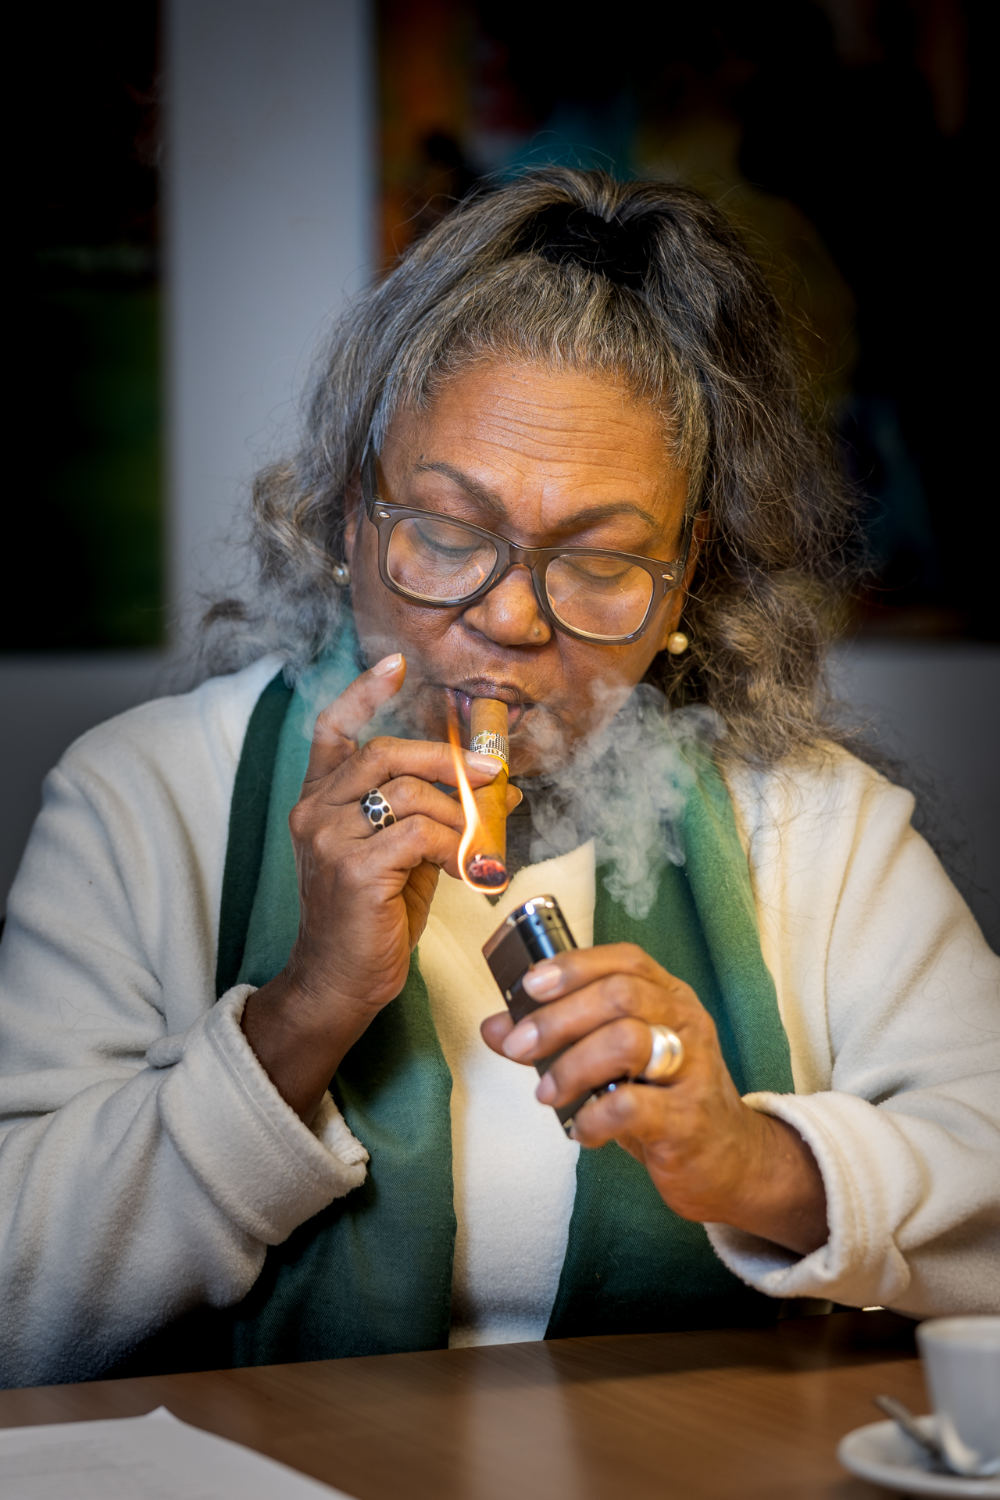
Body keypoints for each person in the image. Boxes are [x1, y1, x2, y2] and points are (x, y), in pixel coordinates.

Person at [1, 168, 997, 1389]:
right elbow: (16, 1303)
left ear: (685, 579)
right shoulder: (145, 799)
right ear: (353, 524)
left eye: (600, 558)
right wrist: (300, 1013)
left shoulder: (815, 827)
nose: (512, 619)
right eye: (449, 531)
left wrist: (757, 1162)